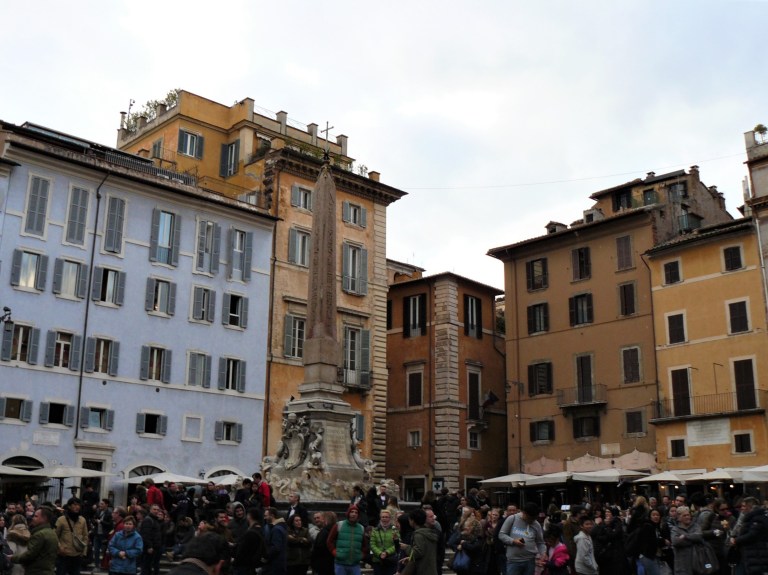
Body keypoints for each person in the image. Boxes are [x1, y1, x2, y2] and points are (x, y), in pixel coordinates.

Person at [8, 506, 59, 575]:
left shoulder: (39, 534)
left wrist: (12, 558)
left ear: (44, 518)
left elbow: (30, 555)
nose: (33, 518)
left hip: (36, 571)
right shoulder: (52, 532)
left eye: (36, 516)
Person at [498, 502, 547, 575]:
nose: (531, 521)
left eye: (533, 519)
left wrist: (543, 553)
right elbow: (501, 535)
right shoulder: (512, 519)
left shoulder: (536, 524)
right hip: (513, 561)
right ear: (524, 513)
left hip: (530, 561)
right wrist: (513, 541)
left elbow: (540, 542)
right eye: (530, 518)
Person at [327, 505, 367, 575]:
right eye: (352, 512)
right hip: (340, 564)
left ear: (358, 515)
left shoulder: (361, 528)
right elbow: (329, 541)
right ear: (348, 513)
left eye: (356, 512)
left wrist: (361, 555)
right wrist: (335, 552)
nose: (354, 514)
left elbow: (365, 545)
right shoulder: (339, 525)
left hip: (355, 564)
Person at [54, 497, 89, 575]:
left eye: (78, 505)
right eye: (74, 505)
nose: (77, 507)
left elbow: (85, 536)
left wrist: (83, 552)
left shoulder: (82, 520)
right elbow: (54, 535)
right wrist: (59, 548)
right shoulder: (61, 520)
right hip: (64, 555)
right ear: (69, 506)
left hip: (77, 555)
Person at [399, 509, 438, 575]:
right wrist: (410, 558)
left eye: (409, 520)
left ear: (413, 521)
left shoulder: (418, 535)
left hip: (422, 571)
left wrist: (406, 547)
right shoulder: (429, 532)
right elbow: (425, 552)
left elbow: (418, 552)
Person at [670, 506, 703, 575]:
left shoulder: (696, 526)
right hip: (682, 565)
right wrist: (692, 539)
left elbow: (699, 537)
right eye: (684, 515)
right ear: (679, 518)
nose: (687, 517)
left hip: (697, 563)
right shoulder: (675, 529)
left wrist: (685, 536)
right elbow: (676, 542)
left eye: (688, 515)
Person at [232, 508, 266, 575]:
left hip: (244, 566)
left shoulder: (251, 533)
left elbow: (242, 550)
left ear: (249, 516)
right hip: (252, 565)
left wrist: (234, 560)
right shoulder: (260, 530)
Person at [370, 510, 399, 575]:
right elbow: (372, 544)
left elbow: (397, 544)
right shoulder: (375, 530)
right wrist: (380, 553)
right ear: (380, 518)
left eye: (386, 517)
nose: (384, 519)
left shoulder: (394, 530)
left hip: (391, 560)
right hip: (378, 561)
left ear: (390, 518)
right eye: (383, 517)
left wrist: (387, 552)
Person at [138, 505, 163, 575]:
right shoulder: (148, 520)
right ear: (150, 510)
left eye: (158, 510)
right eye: (154, 509)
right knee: (146, 568)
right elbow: (145, 535)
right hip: (150, 549)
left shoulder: (155, 520)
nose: (156, 511)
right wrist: (149, 546)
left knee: (150, 568)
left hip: (155, 548)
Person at [262, 508, 288, 575]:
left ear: (272, 516)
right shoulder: (280, 527)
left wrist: (266, 557)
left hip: (275, 565)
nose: (264, 518)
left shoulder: (276, 529)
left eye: (266, 516)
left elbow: (276, 548)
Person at [93, 499, 114, 568]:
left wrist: (101, 522)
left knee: (105, 551)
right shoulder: (98, 511)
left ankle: (104, 564)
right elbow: (94, 519)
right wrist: (94, 521)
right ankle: (96, 565)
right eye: (100, 504)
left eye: (102, 504)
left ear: (106, 505)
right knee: (96, 550)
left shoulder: (109, 513)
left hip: (104, 535)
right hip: (97, 533)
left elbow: (110, 525)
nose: (100, 505)